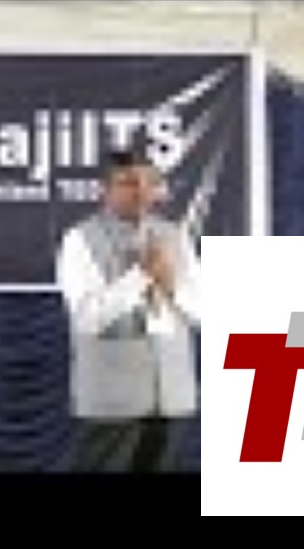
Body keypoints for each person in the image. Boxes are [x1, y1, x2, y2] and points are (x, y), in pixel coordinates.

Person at [55, 147, 202, 473]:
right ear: (105, 190)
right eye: (128, 183)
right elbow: (87, 319)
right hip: (113, 400)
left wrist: (171, 287)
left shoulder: (175, 236)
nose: (140, 192)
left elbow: (203, 311)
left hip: (171, 395)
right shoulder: (79, 240)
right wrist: (140, 278)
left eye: (148, 183)